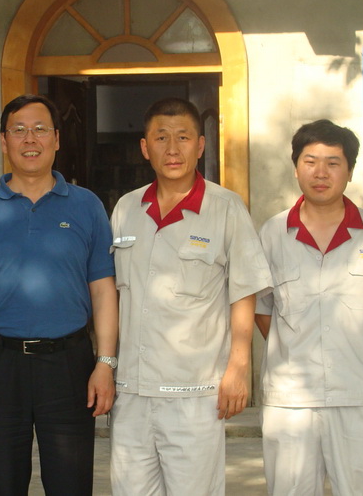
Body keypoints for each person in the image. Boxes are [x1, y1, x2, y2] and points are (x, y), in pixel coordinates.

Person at [0, 94, 117, 495]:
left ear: (57, 139)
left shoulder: (87, 206)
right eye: (19, 130)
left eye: (40, 129)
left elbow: (103, 290)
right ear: (3, 140)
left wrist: (105, 363)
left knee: (71, 485)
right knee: (1, 484)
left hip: (69, 364)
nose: (30, 139)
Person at [109, 97, 271, 495]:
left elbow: (244, 291)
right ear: (145, 147)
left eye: (182, 137)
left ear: (200, 145)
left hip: (195, 395)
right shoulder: (127, 208)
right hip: (131, 391)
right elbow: (111, 296)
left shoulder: (226, 208)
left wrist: (238, 368)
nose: (172, 148)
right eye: (161, 137)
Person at [255, 119, 363, 495]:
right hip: (290, 402)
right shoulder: (272, 234)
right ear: (296, 168)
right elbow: (261, 309)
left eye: (333, 163)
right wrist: (295, 347)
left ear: (350, 171)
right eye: (310, 161)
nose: (320, 173)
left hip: (359, 395)